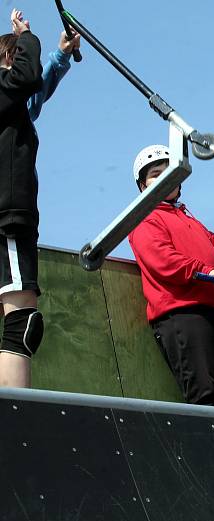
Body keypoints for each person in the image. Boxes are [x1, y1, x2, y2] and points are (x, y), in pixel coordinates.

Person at [128, 144, 214, 408]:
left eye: (170, 172)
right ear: (143, 185)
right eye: (156, 173)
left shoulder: (193, 221)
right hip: (184, 313)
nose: (165, 178)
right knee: (206, 394)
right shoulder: (142, 218)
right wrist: (206, 271)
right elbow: (162, 260)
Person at [0, 10, 44, 388]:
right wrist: (26, 36)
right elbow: (28, 78)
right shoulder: (3, 89)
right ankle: (15, 416)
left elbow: (36, 84)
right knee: (21, 322)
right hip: (7, 218)